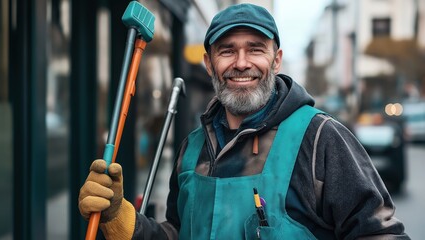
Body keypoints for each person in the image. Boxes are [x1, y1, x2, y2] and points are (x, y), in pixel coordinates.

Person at [79, 3, 410, 239]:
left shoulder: (321, 138)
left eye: (255, 49)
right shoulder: (193, 150)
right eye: (227, 50)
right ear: (209, 64)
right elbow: (179, 233)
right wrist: (124, 222)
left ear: (275, 59)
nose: (241, 63)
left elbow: (380, 233)